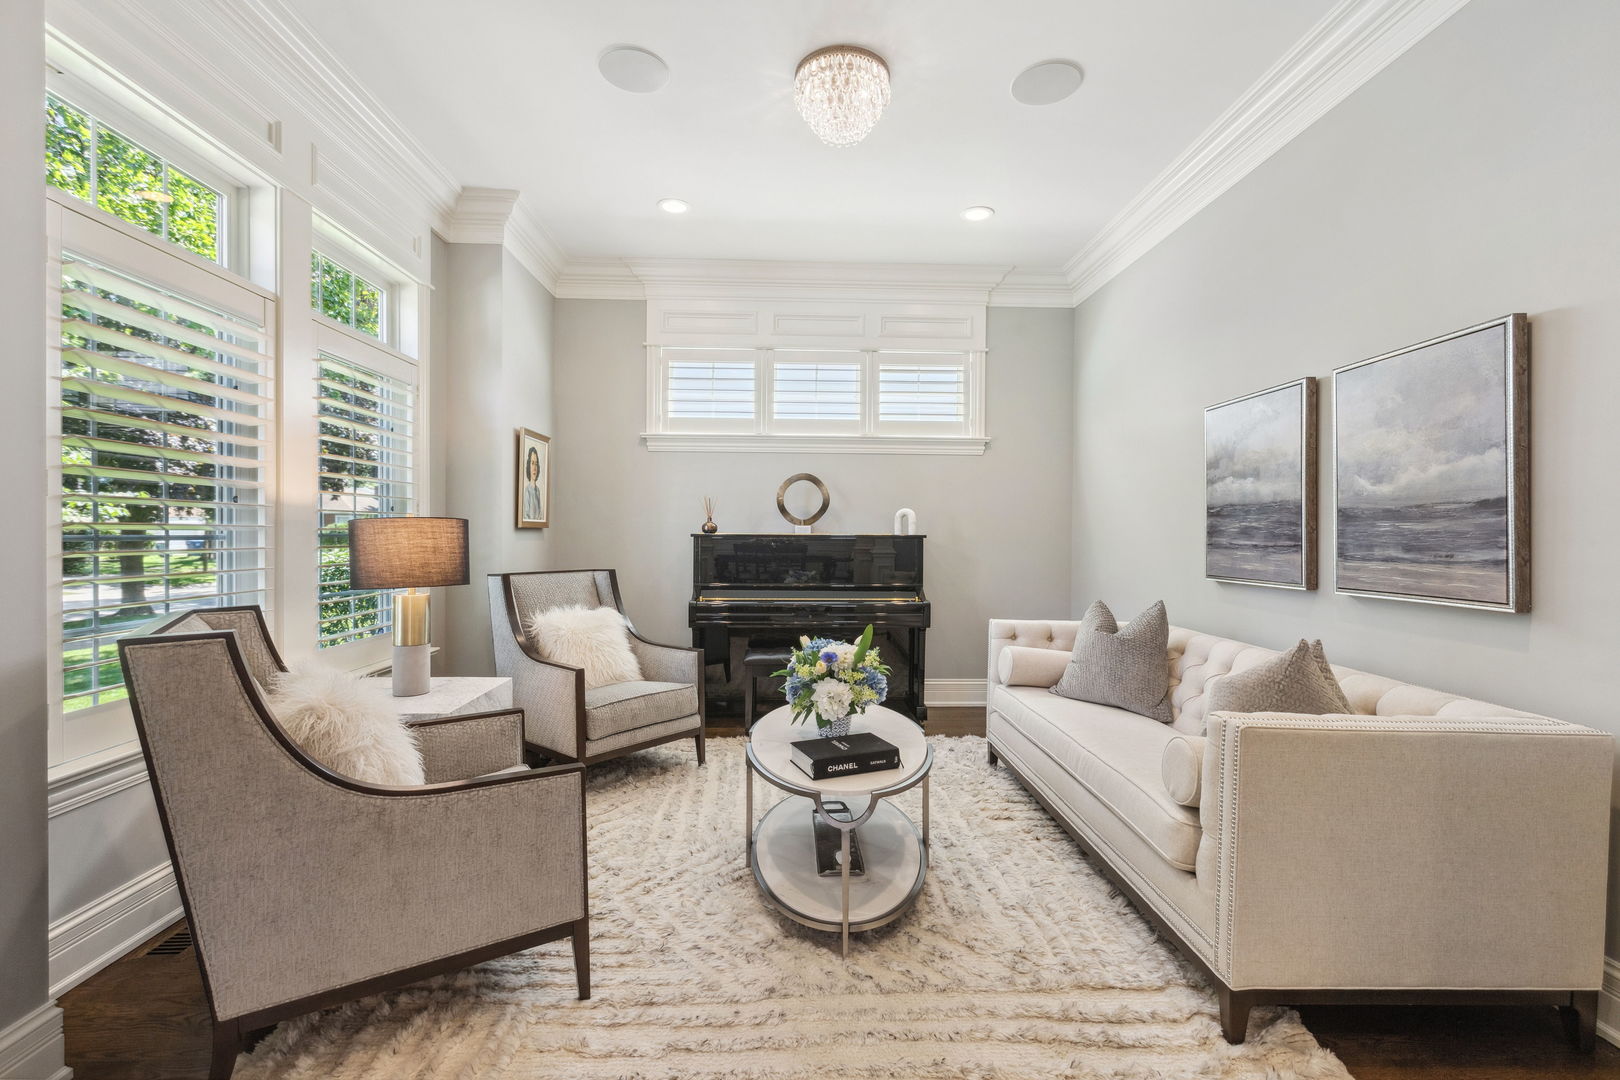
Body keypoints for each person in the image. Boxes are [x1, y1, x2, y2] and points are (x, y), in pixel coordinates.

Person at [522, 445, 545, 522]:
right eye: (532, 463)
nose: (534, 468)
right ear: (529, 466)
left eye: (536, 464)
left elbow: (540, 516)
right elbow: (526, 516)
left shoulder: (538, 491)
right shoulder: (527, 491)